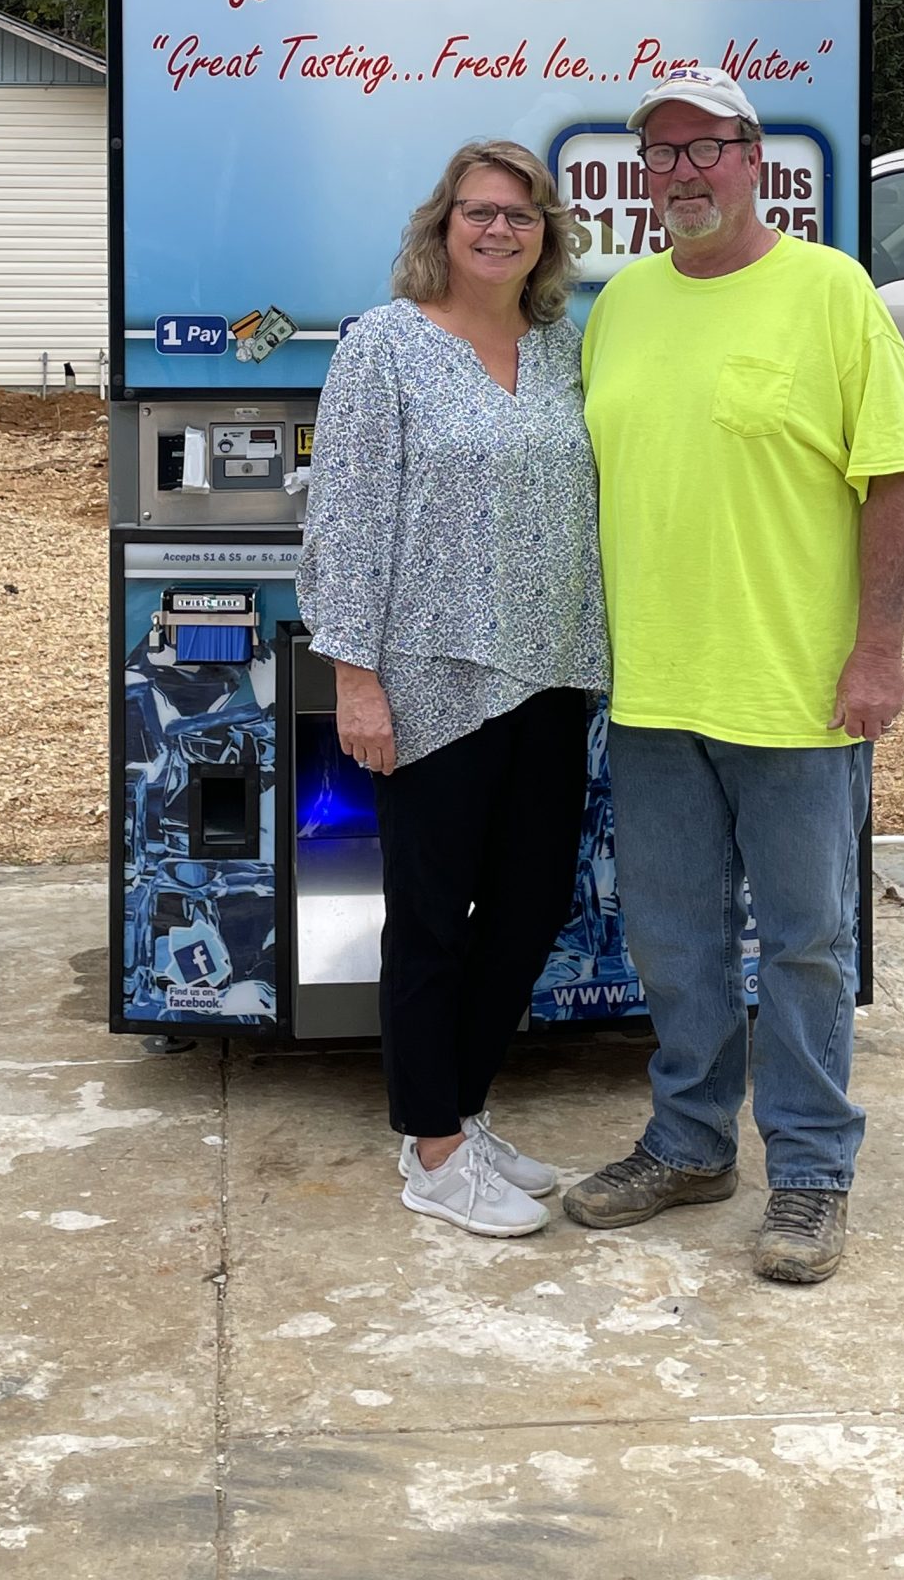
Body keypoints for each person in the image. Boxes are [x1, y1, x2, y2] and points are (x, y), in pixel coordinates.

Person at [565, 67, 904, 1284]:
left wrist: (878, 649)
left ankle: (812, 1174)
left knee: (808, 944)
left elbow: (894, 479)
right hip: (653, 690)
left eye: (704, 147)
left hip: (797, 694)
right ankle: (690, 1144)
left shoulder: (832, 293)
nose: (682, 171)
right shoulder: (621, 305)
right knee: (674, 937)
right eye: (661, 153)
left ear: (752, 158)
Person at [298, 139, 609, 1238]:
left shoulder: (565, 351)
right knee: (432, 920)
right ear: (443, 225)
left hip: (553, 670)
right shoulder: (384, 347)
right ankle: (431, 1148)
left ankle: (461, 1112)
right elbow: (344, 518)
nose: (497, 230)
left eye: (520, 216)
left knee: (530, 909)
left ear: (546, 237)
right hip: (431, 679)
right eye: (479, 211)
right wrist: (357, 680)